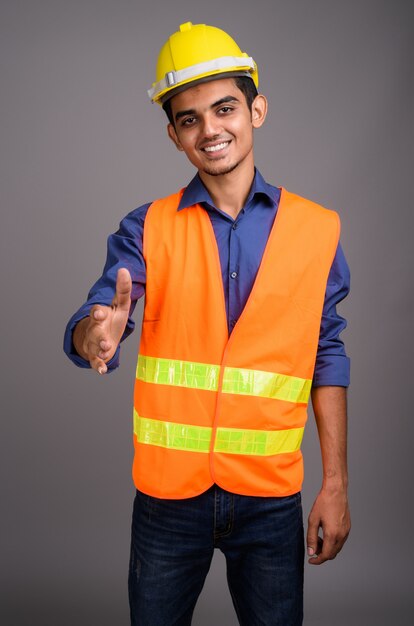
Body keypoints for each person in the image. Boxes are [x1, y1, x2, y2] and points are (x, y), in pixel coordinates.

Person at [64, 21, 351, 626]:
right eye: (189, 118)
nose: (210, 129)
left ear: (258, 110)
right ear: (174, 136)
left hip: (271, 497)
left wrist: (335, 483)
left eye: (225, 108)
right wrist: (96, 334)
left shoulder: (317, 229)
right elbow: (96, 317)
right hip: (168, 500)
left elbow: (327, 356)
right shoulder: (147, 228)